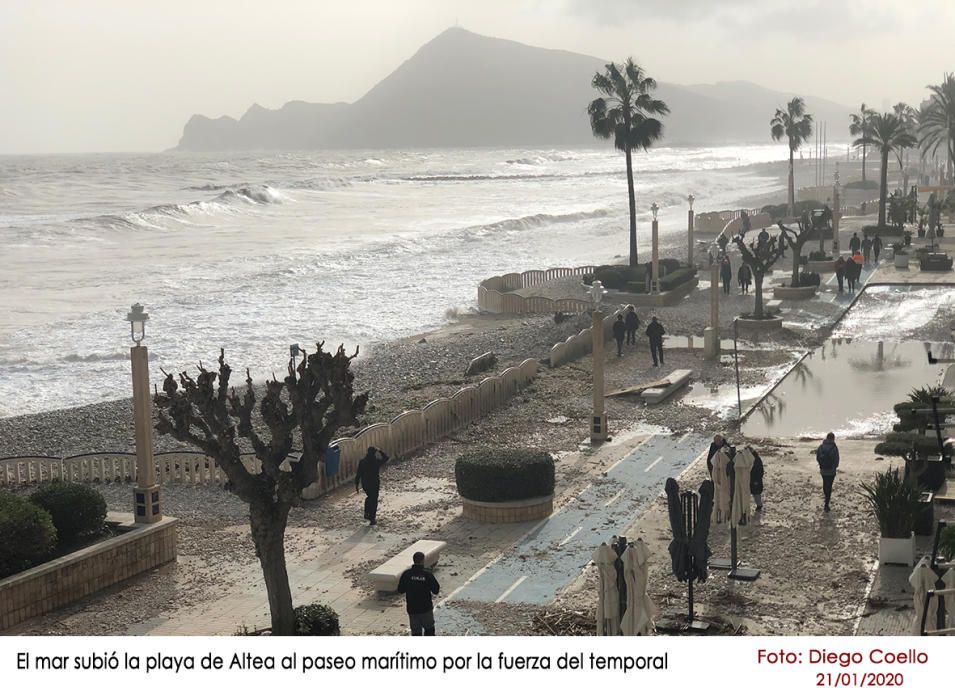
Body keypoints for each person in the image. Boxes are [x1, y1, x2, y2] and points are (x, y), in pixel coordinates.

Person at [397, 552, 440, 636]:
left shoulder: (407, 574)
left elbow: (400, 590)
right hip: (425, 608)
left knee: (416, 633)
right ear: (422, 561)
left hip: (412, 609)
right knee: (429, 630)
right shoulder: (427, 574)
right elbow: (436, 590)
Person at [355, 446, 389, 525]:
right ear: (374, 453)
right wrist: (380, 450)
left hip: (365, 484)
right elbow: (386, 458)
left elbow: (358, 474)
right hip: (374, 483)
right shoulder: (376, 462)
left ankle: (367, 513)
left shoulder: (362, 462)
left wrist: (356, 484)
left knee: (369, 497)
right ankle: (372, 518)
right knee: (374, 500)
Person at [815, 432, 840, 512]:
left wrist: (821, 464)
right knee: (829, 485)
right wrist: (835, 467)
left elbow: (818, 457)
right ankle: (826, 503)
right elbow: (836, 459)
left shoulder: (821, 447)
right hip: (831, 471)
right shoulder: (834, 447)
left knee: (825, 484)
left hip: (823, 470)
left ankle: (826, 497)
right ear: (833, 438)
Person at [749, 447, 764, 511]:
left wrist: (756, 480)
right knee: (755, 493)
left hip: (756, 479)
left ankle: (759, 505)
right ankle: (759, 505)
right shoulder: (753, 458)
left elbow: (759, 471)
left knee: (756, 493)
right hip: (752, 479)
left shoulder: (756, 459)